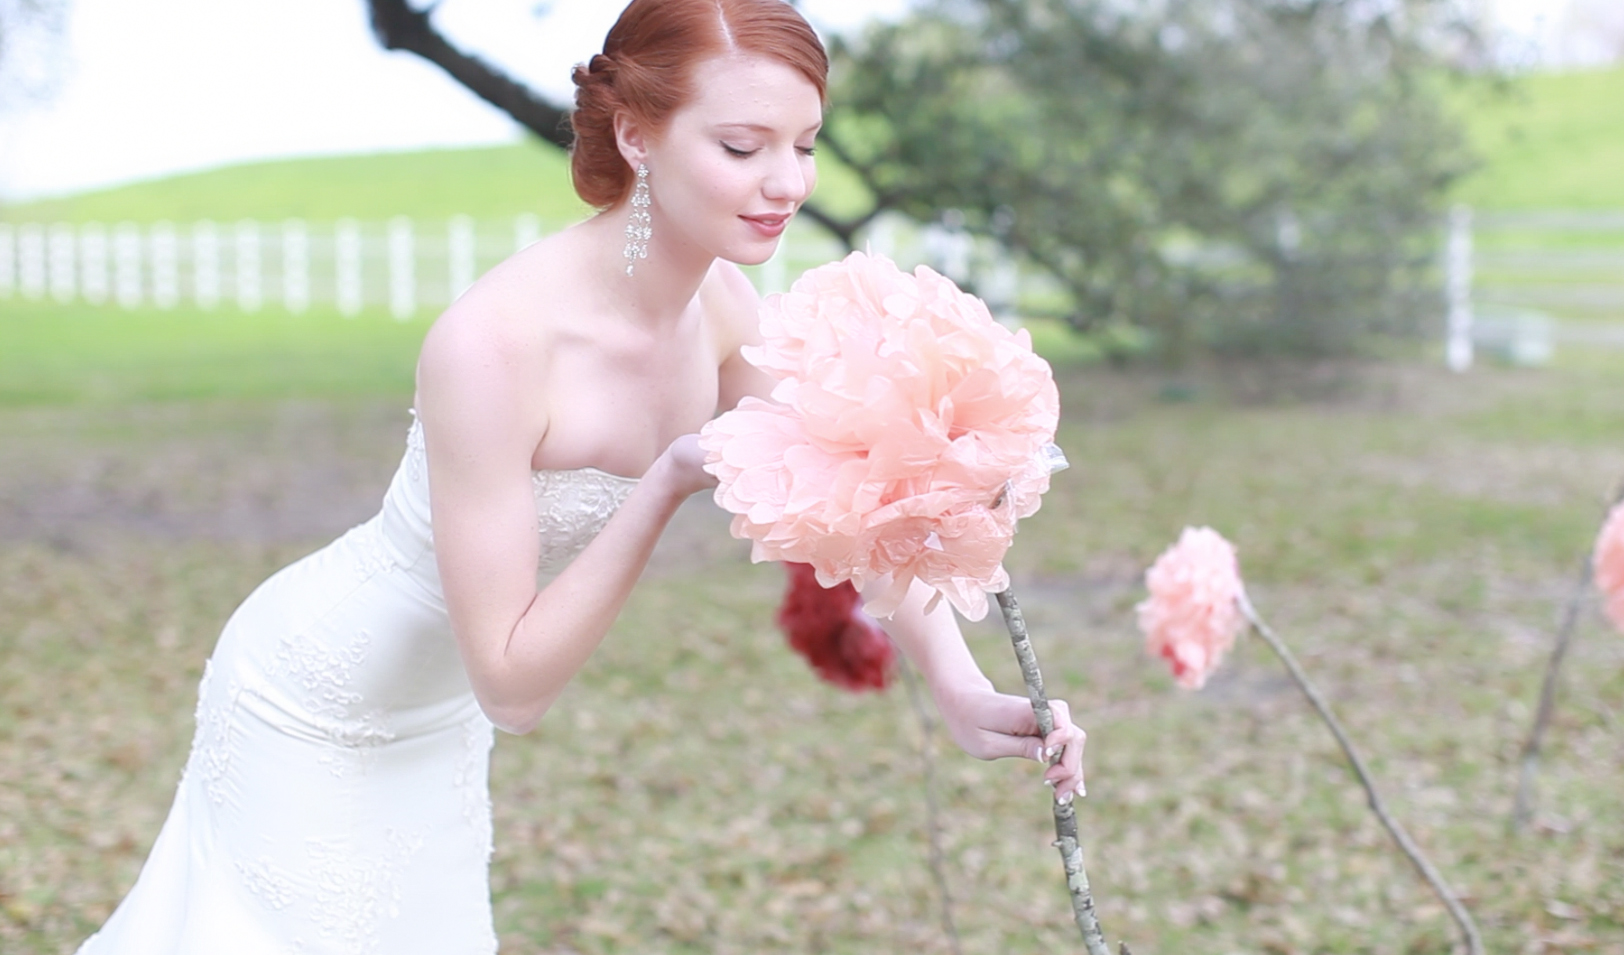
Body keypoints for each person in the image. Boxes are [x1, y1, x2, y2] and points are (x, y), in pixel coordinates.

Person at [78, 1, 1088, 951]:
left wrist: (962, 686)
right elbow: (514, 686)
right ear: (637, 136)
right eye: (744, 148)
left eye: (806, 144)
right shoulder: (493, 344)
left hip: (438, 720)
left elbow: (855, 508)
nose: (787, 182)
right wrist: (666, 482)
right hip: (313, 702)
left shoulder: (723, 309)